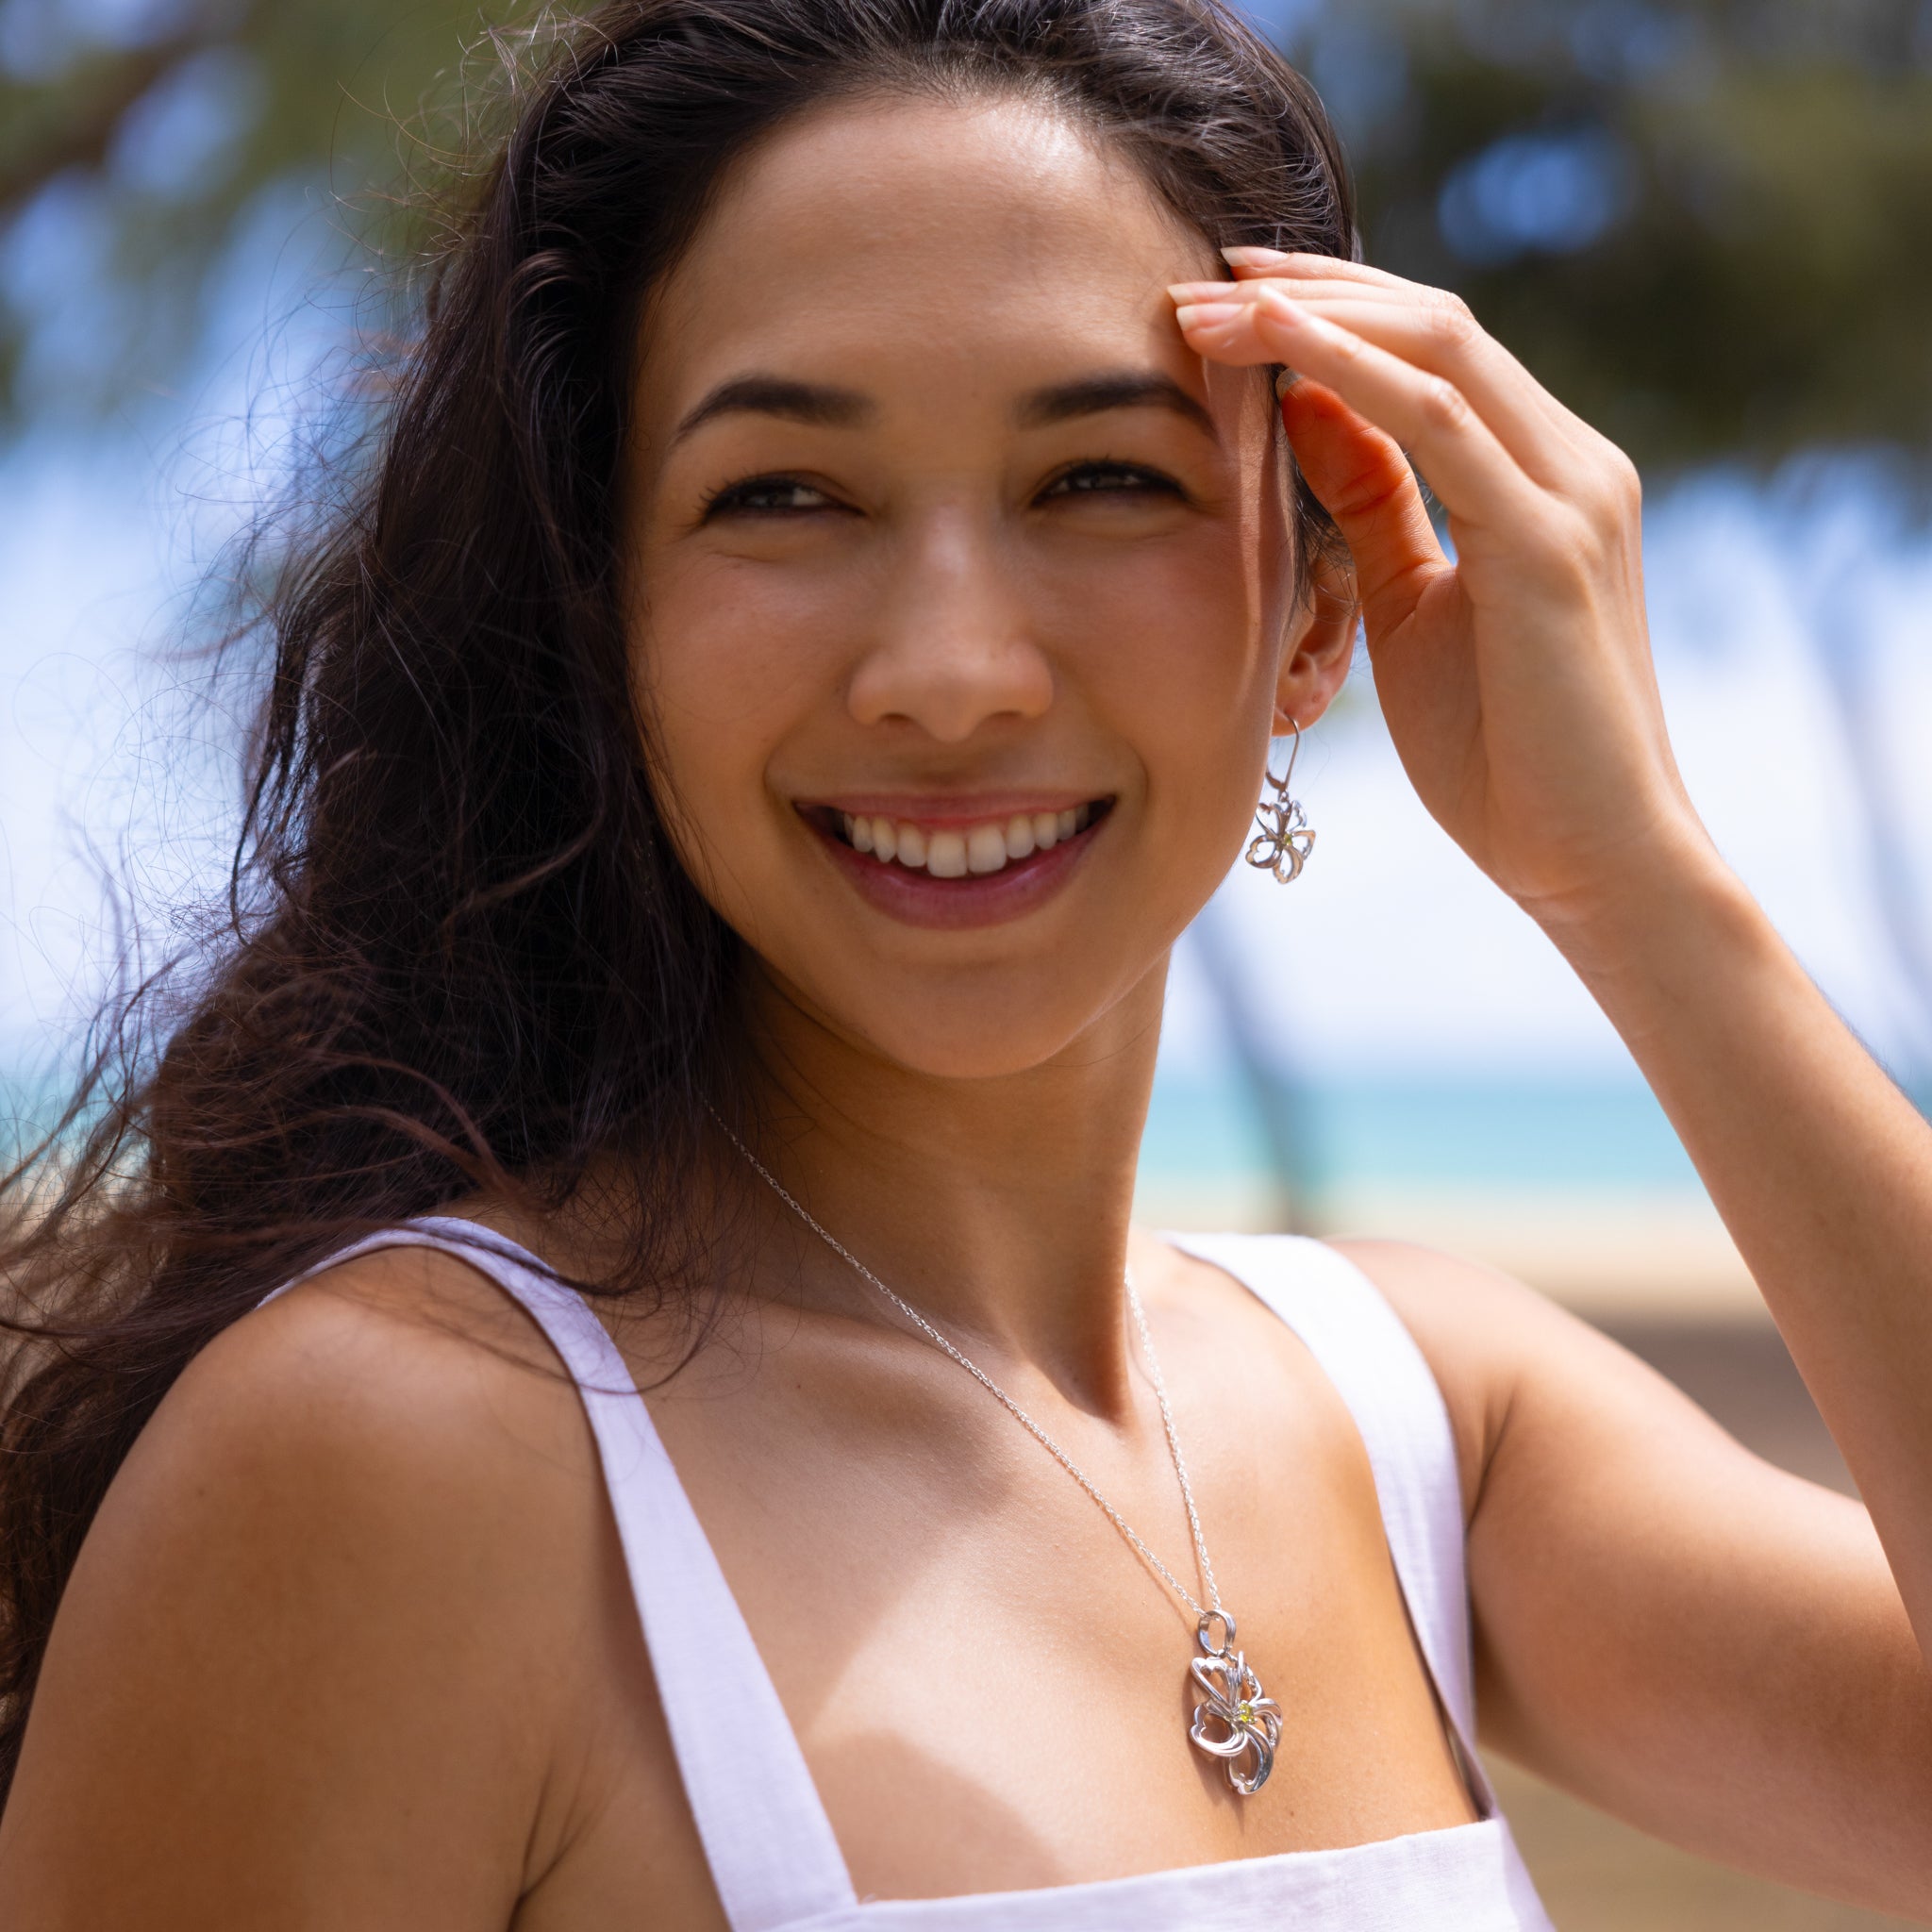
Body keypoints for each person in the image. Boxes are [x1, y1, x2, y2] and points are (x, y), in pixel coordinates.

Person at [3, 0, 1930, 1924]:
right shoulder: (402, 1457)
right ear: (605, 617)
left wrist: (1636, 886)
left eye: (1102, 480)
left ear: (1314, 611)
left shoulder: (1422, 1419)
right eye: (783, 495)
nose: (949, 673)